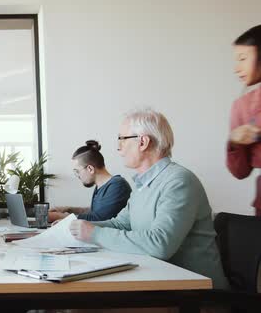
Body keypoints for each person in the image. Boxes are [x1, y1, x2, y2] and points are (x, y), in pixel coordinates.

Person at [69, 108, 229, 289]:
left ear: (143, 142)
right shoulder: (143, 185)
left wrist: (94, 233)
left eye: (122, 138)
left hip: (197, 294)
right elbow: (121, 224)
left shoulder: (178, 181)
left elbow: (159, 244)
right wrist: (74, 229)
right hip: (162, 282)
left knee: (89, 304)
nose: (118, 147)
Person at [49, 140, 131, 223]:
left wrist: (59, 216)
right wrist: (68, 209)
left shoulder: (117, 186)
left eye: (77, 171)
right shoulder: (101, 186)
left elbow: (99, 220)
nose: (78, 176)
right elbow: (94, 213)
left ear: (90, 169)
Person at [226, 25, 261, 216]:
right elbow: (240, 172)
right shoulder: (242, 106)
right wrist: (234, 142)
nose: (237, 68)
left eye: (243, 58)